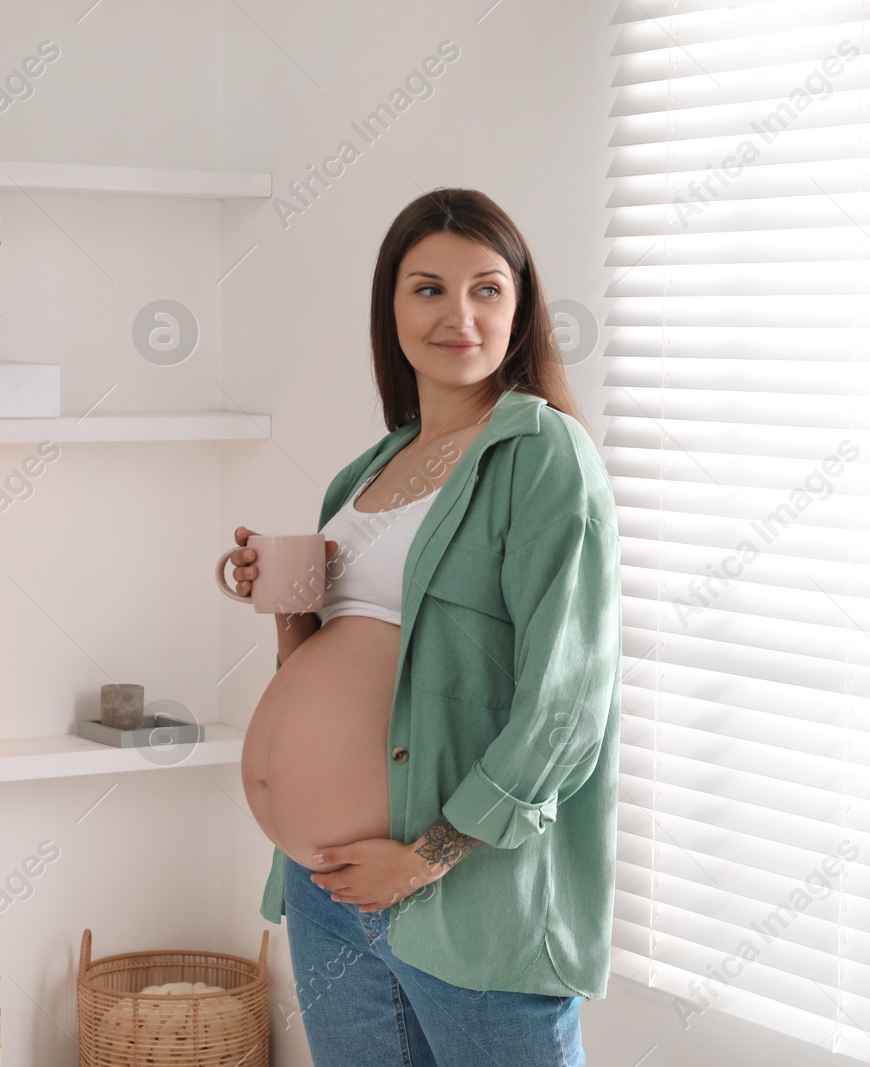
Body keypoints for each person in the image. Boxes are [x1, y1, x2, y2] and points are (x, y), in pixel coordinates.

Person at [229, 188, 622, 1066]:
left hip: (458, 891)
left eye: (486, 289)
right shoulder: (363, 473)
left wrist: (425, 859)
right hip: (327, 890)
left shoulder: (544, 457)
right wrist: (292, 610)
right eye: (428, 288)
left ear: (519, 310)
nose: (459, 314)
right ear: (391, 306)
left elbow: (565, 703)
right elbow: (331, 667)